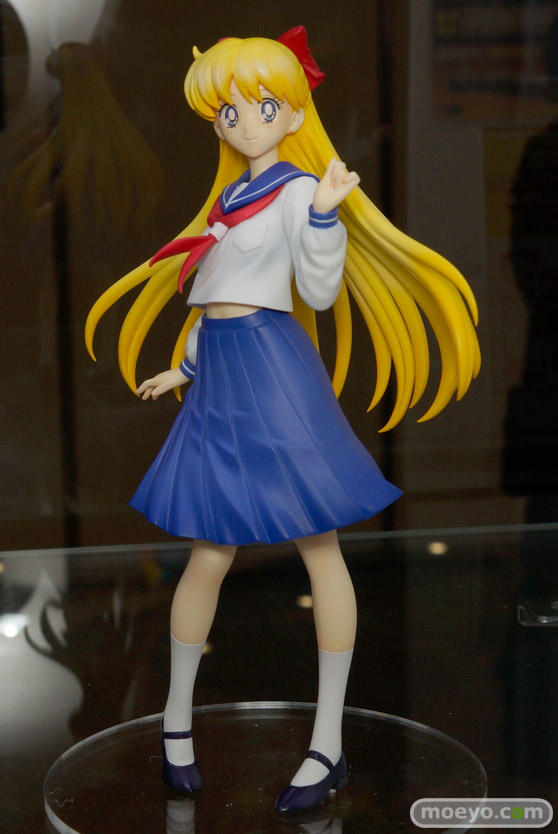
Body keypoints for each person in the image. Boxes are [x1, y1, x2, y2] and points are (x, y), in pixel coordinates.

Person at [85, 27, 480, 813]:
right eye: (228, 111)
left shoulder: (301, 191)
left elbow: (319, 292)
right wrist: (184, 365)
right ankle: (174, 724)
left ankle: (327, 742)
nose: (243, 121)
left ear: (295, 113)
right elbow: (212, 294)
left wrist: (327, 217)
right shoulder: (225, 200)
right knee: (208, 549)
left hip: (271, 367)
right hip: (219, 369)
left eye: (263, 106)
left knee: (318, 544)